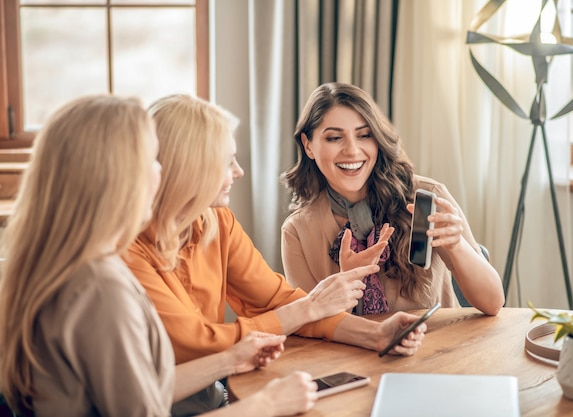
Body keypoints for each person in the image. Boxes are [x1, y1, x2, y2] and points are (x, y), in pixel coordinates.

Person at [0, 95, 318, 417]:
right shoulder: (100, 286)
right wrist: (267, 405)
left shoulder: (78, 264)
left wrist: (230, 359)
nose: (162, 173)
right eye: (153, 158)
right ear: (117, 177)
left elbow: (142, 390)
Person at [122, 94, 426, 370]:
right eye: (227, 162)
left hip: (213, 386)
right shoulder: (127, 250)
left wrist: (375, 334)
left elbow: (277, 301)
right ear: (191, 168)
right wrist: (308, 307)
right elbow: (195, 344)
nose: (239, 171)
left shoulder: (218, 222)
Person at [280, 82, 504, 316]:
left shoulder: (425, 198)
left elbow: (493, 303)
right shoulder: (297, 232)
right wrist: (347, 282)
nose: (352, 150)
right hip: (357, 351)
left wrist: (457, 246)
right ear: (308, 146)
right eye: (335, 138)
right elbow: (310, 329)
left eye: (364, 135)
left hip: (439, 346)